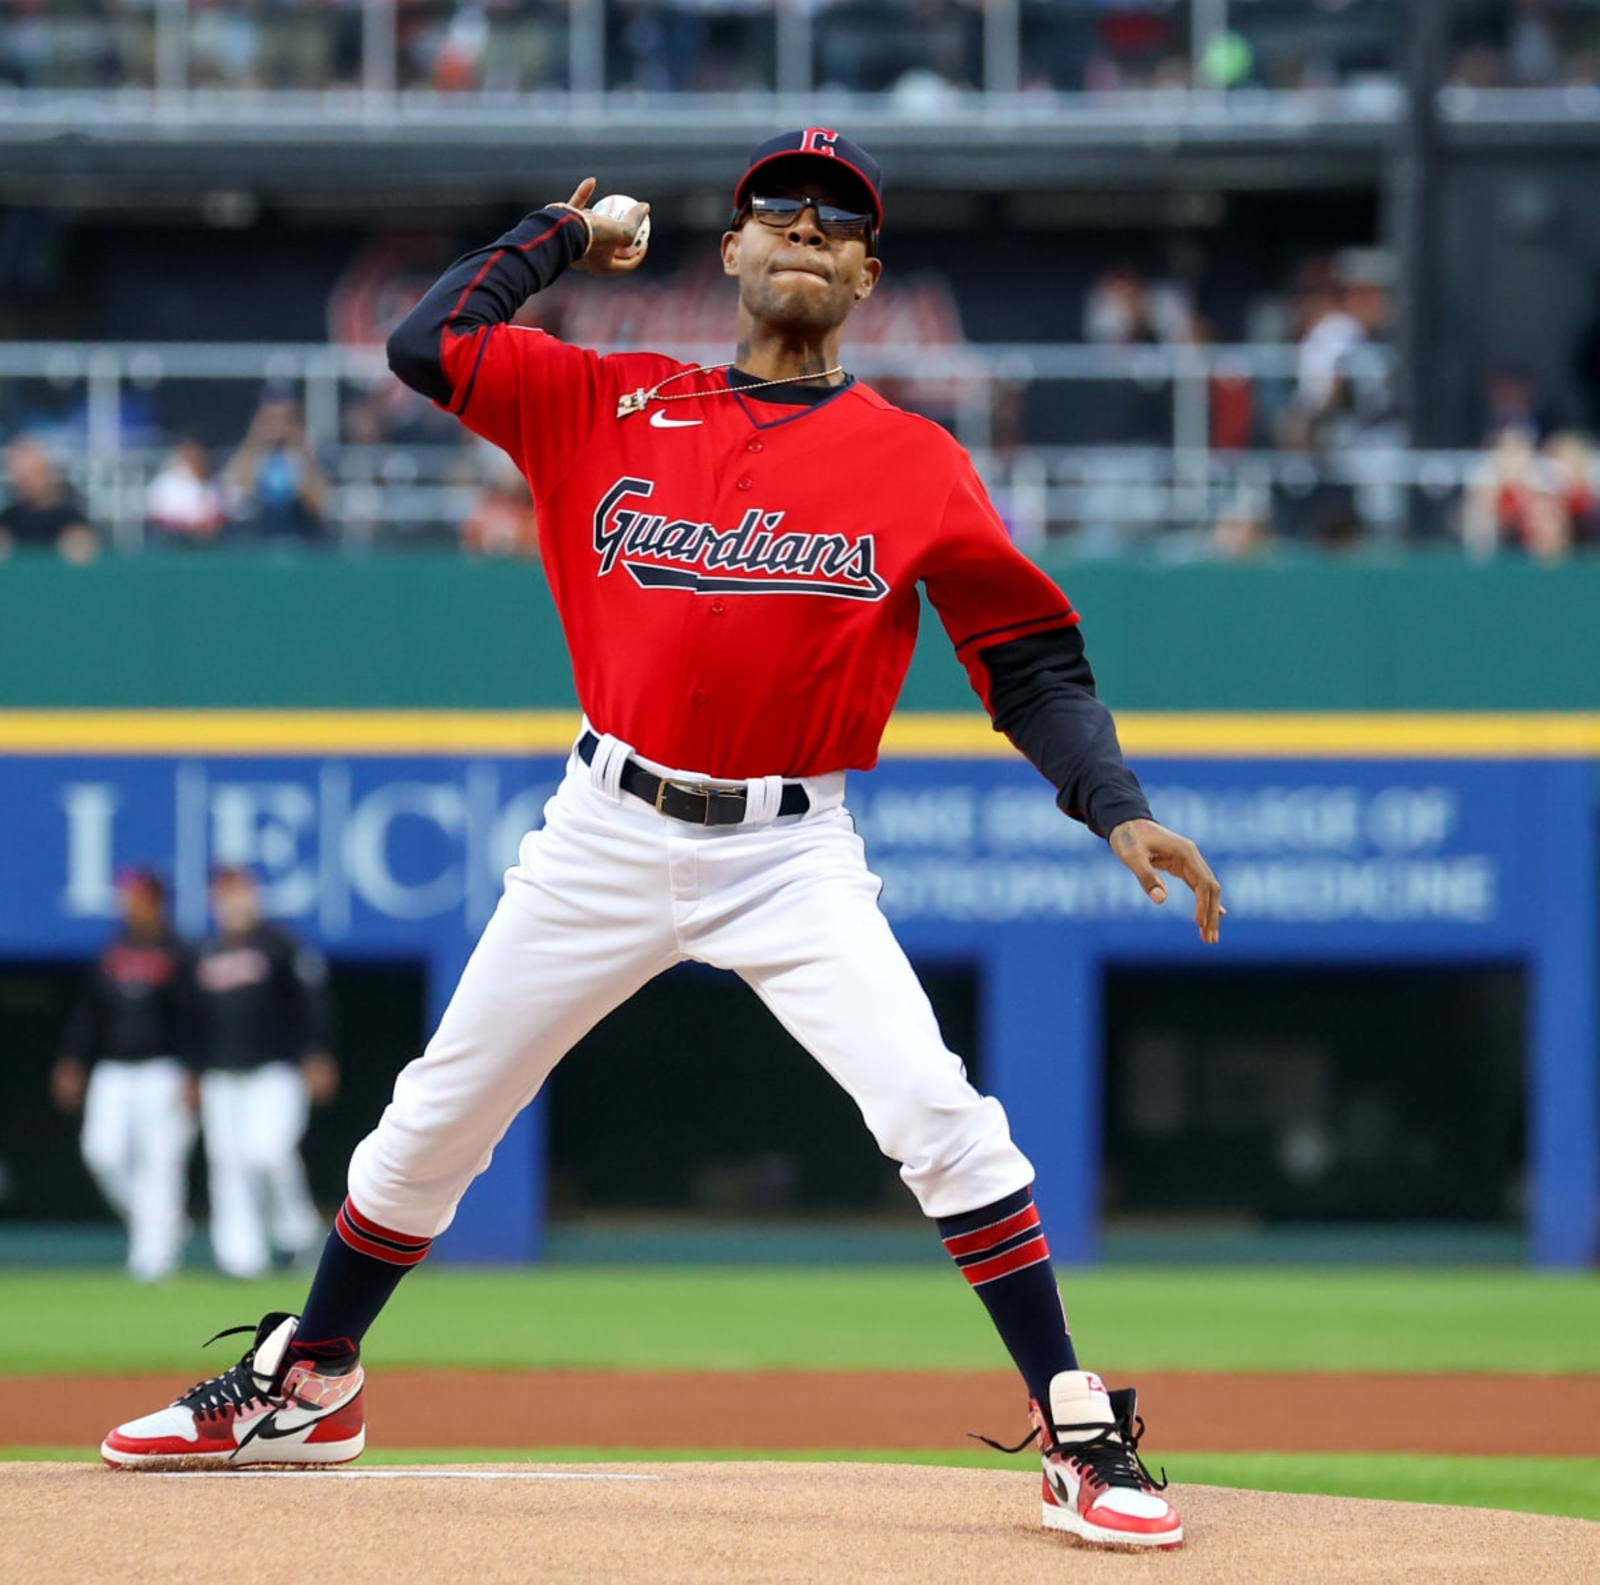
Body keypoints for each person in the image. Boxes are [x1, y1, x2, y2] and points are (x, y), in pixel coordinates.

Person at [101, 131, 1223, 1551]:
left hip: (791, 850)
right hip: (603, 829)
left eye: (838, 219)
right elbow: (424, 342)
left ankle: (1072, 1423)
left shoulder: (916, 463)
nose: (806, 227)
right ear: (734, 251)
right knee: (432, 1120)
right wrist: (555, 239)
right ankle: (311, 1379)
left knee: (939, 1117)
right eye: (778, 210)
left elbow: (1033, 665)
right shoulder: (609, 396)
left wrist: (1113, 803)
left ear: (867, 273)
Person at [189, 867, 338, 1279]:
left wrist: (316, 1052)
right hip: (221, 1074)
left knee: (269, 1152)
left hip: (275, 1071)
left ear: (254, 896)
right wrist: (192, 1071)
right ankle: (241, 1258)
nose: (233, 903)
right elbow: (191, 1019)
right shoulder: (203, 951)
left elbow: (312, 1002)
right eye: (224, 895)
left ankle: (300, 1233)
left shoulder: (281, 944)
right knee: (228, 1165)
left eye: (240, 893)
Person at [49, 870, 195, 1283]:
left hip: (163, 1070)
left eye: (132, 895)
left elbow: (193, 1018)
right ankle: (162, 1223)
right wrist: (73, 1060)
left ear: (154, 900)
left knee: (160, 1165)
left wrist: (192, 1071)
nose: (124, 902)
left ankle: (155, 1259)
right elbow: (90, 1014)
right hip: (113, 1071)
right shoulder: (114, 949)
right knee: (102, 1153)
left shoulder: (179, 950)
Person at [221, 388, 331, 543]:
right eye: (271, 418)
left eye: (287, 418)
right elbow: (231, 496)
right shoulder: (251, 455)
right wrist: (257, 440)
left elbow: (321, 503)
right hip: (258, 538)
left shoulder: (305, 455)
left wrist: (298, 446)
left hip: (301, 536)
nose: (279, 425)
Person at [0, 435, 98, 562]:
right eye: (20, 477)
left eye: (32, 475)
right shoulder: (10, 518)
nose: (25, 483)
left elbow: (86, 551)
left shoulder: (69, 516)